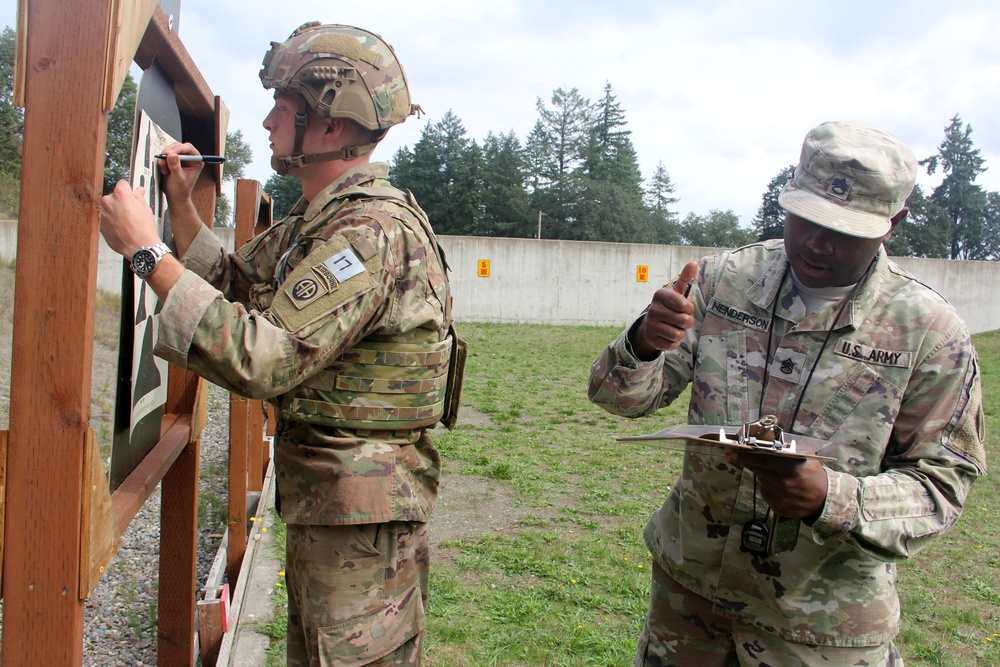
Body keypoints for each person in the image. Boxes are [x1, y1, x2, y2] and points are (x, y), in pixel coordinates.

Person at [100, 22, 463, 667]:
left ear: (327, 125)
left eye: (283, 108)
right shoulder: (321, 217)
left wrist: (146, 254)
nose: (267, 122)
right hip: (337, 508)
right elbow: (246, 292)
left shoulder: (366, 234)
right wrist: (181, 213)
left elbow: (263, 355)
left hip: (359, 525)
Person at [588, 120, 986, 666]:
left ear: (893, 223)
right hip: (691, 599)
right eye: (807, 219)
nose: (818, 242)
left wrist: (832, 499)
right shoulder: (722, 280)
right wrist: (644, 344)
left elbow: (944, 483)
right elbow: (619, 399)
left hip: (818, 624)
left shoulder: (929, 332)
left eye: (845, 230)